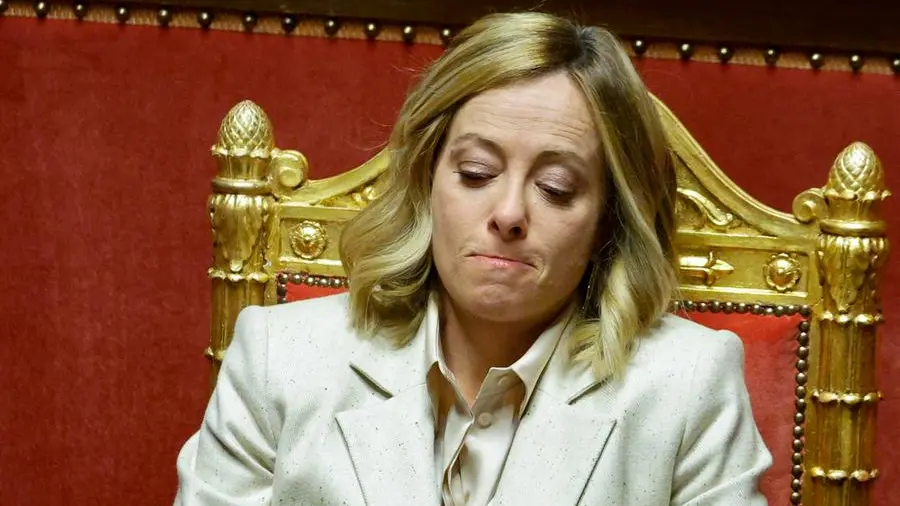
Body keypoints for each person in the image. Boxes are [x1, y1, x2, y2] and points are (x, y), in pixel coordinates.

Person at [175, 11, 771, 506]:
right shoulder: (280, 358)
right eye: (477, 173)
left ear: (607, 221)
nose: (509, 213)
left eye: (557, 188)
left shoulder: (687, 386)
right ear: (427, 182)